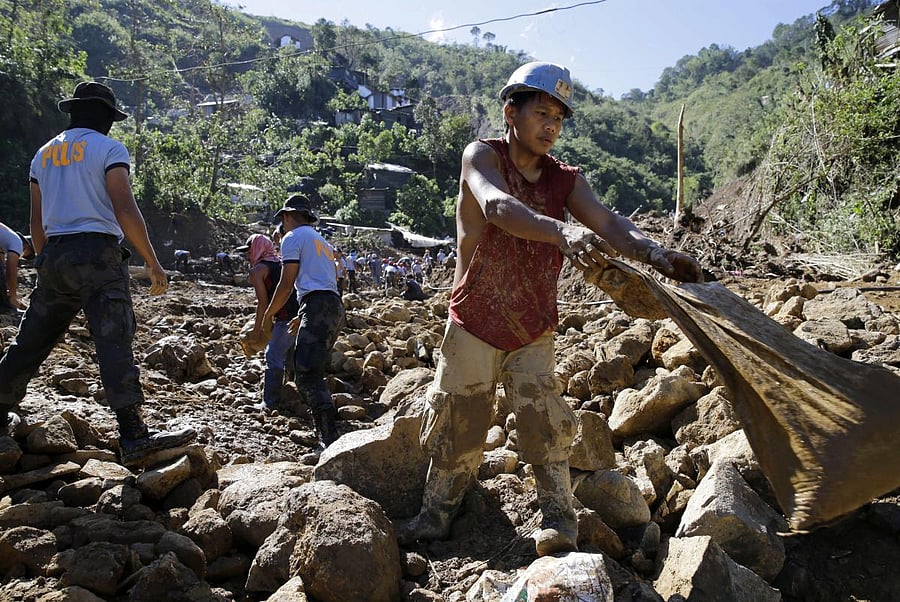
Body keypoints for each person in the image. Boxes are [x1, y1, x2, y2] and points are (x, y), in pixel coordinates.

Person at [395, 62, 702, 556]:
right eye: (542, 112)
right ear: (510, 111)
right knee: (458, 421)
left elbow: (608, 221)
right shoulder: (483, 157)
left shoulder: (565, 180)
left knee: (545, 420)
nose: (552, 126)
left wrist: (655, 253)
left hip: (533, 325)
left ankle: (559, 515)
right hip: (473, 319)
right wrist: (562, 231)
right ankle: (436, 514)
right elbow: (496, 206)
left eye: (559, 117)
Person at [0, 81, 196, 462]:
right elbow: (124, 209)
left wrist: (44, 263)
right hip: (98, 254)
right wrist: (153, 262)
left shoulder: (42, 155)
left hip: (54, 254)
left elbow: (36, 220)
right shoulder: (108, 149)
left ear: (73, 112)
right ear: (106, 118)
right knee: (113, 340)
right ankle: (133, 434)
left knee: (31, 341)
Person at [261, 194, 344, 456]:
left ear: (286, 217)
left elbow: (287, 284)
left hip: (317, 305)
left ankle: (328, 440)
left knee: (307, 372)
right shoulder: (322, 241)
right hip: (331, 305)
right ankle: (327, 432)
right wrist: (303, 313)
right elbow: (324, 281)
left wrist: (267, 315)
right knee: (310, 367)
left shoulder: (292, 238)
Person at [239, 234, 300, 412]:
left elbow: (263, 304)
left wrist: (258, 329)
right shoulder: (281, 263)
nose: (247, 256)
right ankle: (294, 394)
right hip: (301, 313)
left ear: (256, 249)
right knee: (290, 354)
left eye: (248, 251)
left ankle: (270, 402)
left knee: (272, 354)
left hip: (285, 316)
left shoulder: (257, 271)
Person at [0, 222, 35, 311]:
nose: (21, 256)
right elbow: (11, 269)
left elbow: (3, 266)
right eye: (24, 254)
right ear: (26, 246)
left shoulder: (6, 237)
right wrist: (13, 296)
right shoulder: (17, 243)